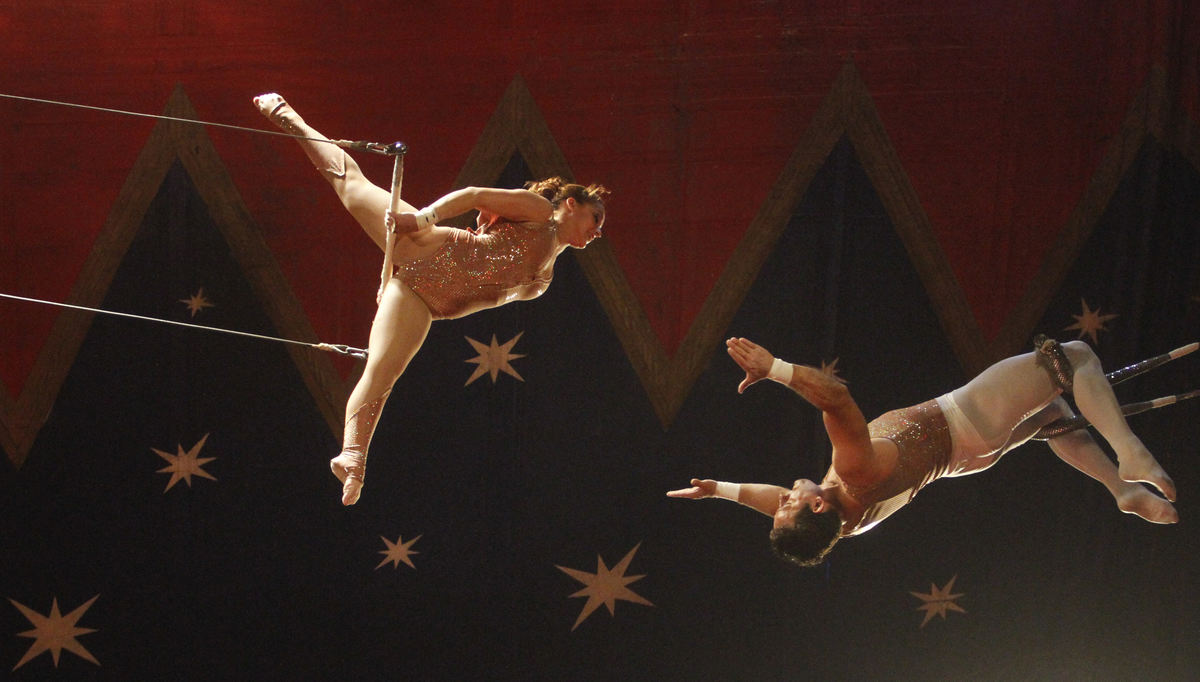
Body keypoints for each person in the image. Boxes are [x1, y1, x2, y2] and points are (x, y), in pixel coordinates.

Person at [253, 93, 608, 506]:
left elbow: (478, 296)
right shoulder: (540, 212)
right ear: (571, 204)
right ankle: (285, 114)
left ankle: (352, 458)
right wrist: (419, 218)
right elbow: (474, 193)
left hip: (423, 302)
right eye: (595, 219)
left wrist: (390, 288)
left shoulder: (542, 281)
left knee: (382, 374)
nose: (596, 233)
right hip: (425, 245)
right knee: (349, 183)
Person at [668, 336, 1181, 567]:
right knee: (1072, 359)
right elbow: (837, 398)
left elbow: (781, 507)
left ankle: (1121, 490)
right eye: (788, 504)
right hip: (963, 420)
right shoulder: (852, 471)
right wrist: (776, 368)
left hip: (967, 459)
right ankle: (1129, 453)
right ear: (817, 505)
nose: (781, 497)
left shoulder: (840, 522)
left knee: (1052, 415)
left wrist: (723, 491)